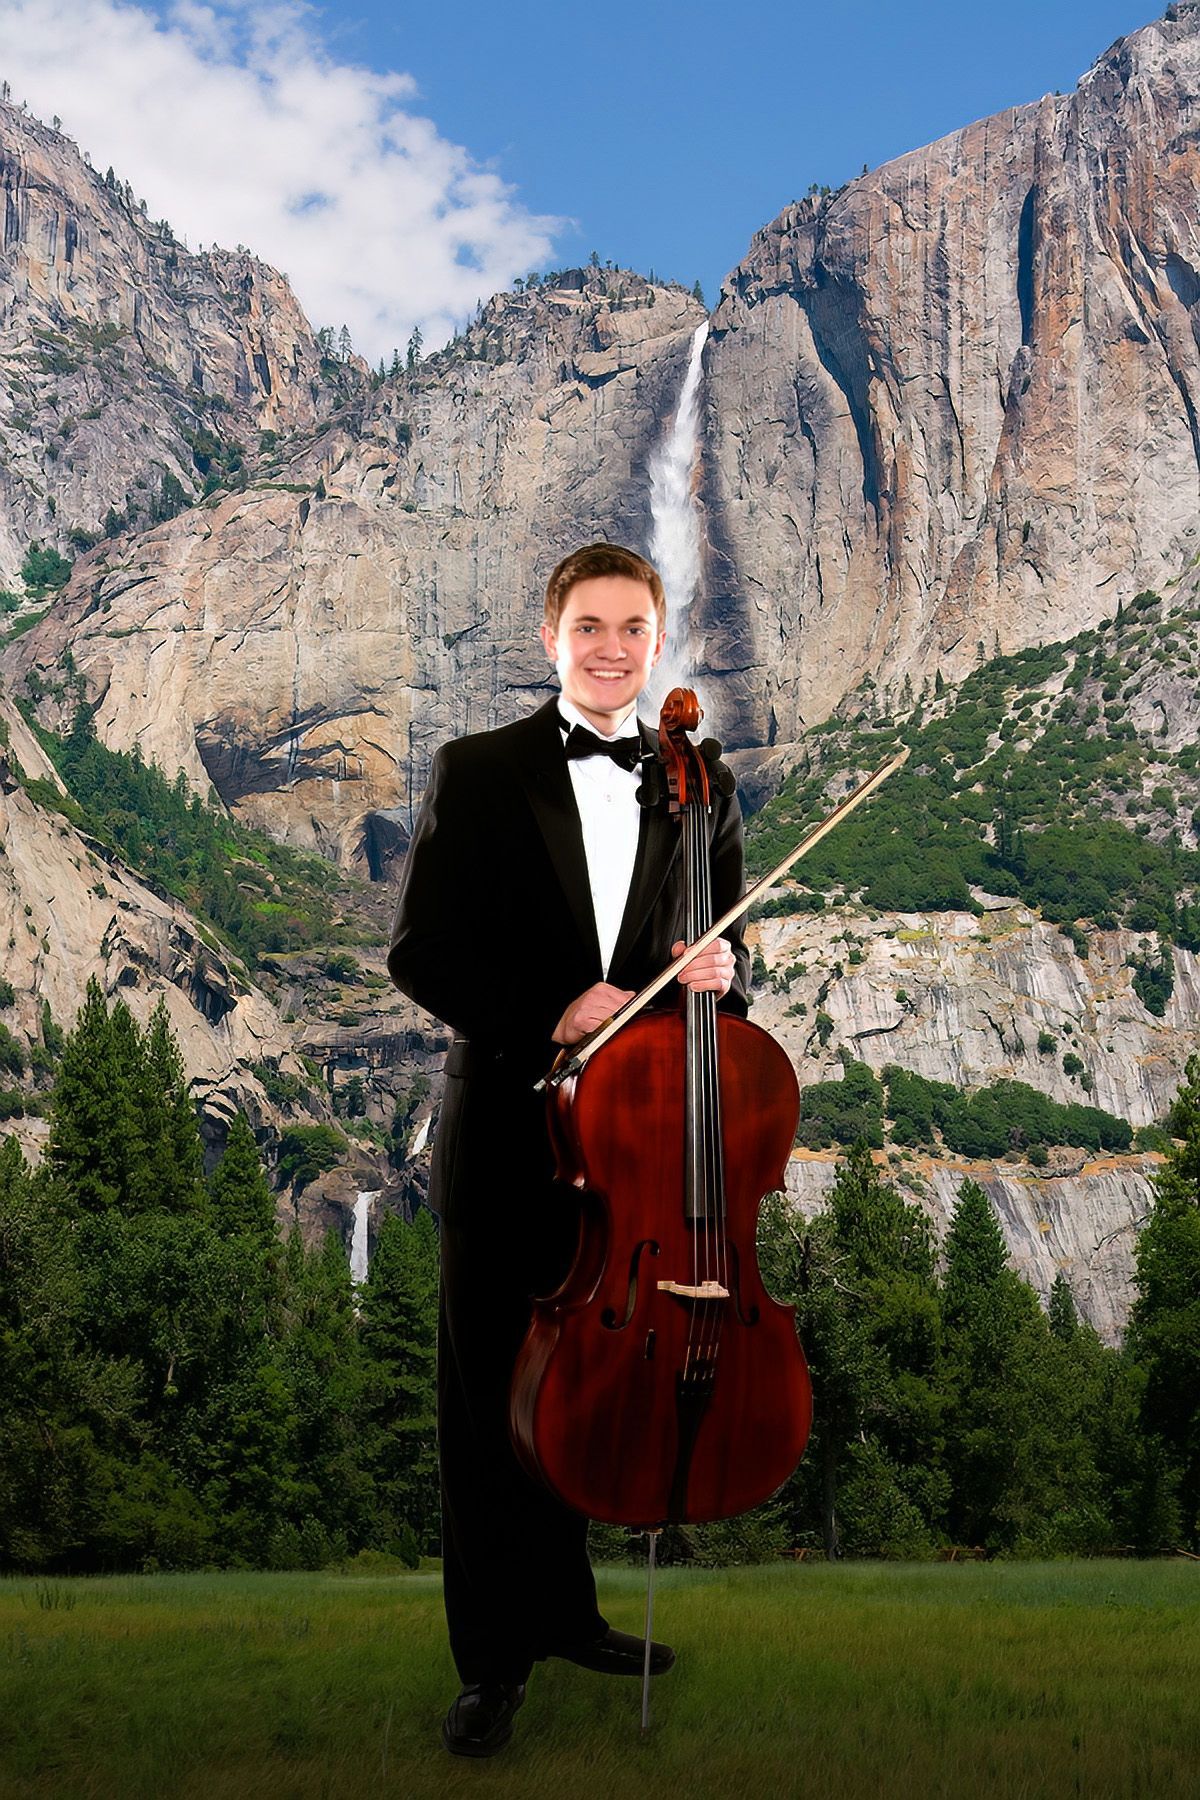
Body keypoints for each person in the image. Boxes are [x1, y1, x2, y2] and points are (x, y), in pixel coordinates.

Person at [387, 542, 750, 1757]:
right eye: (587, 627)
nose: (610, 649)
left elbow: (719, 985)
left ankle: (571, 1613)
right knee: (488, 1402)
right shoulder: (477, 772)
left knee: (592, 1392)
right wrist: (551, 1007)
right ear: (551, 640)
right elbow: (422, 956)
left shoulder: (704, 784)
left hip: (638, 1153)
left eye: (631, 629)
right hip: (505, 1131)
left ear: (659, 640)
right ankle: (489, 1663)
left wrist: (723, 976)